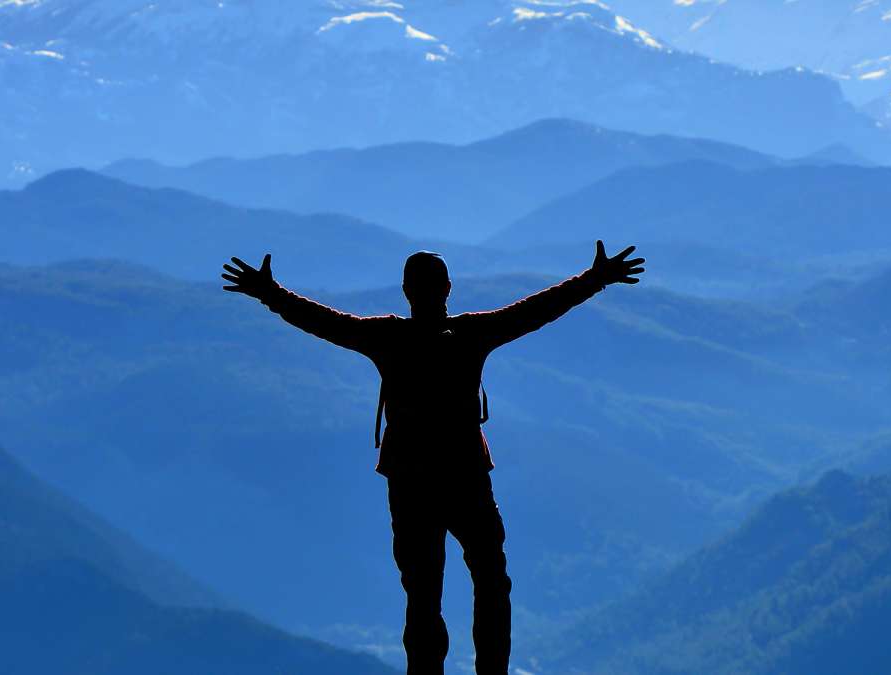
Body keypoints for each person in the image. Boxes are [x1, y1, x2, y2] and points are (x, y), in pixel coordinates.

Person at [221, 241, 645, 675]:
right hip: (466, 477)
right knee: (491, 583)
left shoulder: (387, 337)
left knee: (423, 594)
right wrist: (594, 280)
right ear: (447, 287)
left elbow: (323, 322)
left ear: (406, 290)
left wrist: (270, 294)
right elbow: (537, 310)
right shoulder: (471, 333)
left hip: (410, 481)